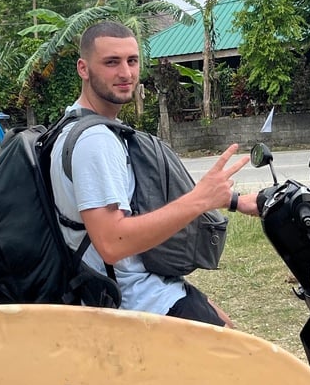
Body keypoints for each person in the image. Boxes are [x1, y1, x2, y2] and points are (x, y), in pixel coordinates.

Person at [50, 21, 259, 327]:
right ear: (83, 68)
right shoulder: (95, 142)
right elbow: (112, 243)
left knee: (229, 331)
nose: (125, 73)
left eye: (132, 61)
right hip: (135, 304)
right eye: (111, 62)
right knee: (244, 363)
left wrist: (232, 201)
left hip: (144, 286)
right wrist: (199, 201)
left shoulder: (77, 125)